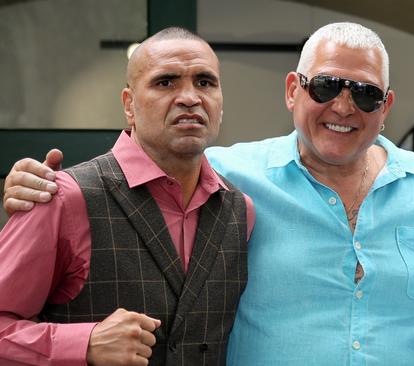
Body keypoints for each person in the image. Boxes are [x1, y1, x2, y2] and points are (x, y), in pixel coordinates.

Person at [3, 22, 414, 365]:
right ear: (293, 90)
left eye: (365, 94)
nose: (343, 106)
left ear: (385, 106)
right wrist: (40, 189)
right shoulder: (226, 179)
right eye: (326, 86)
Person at [0, 27, 254, 365]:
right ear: (129, 105)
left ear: (220, 104)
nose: (190, 97)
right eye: (166, 82)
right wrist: (83, 344)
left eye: (205, 82)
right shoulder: (64, 198)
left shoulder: (241, 211)